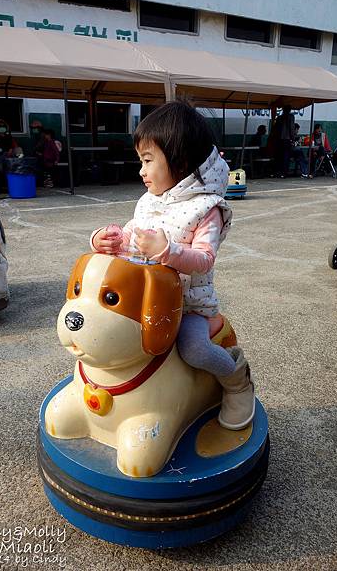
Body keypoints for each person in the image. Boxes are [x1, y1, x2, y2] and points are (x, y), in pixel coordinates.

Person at [90, 101, 255, 431]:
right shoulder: (149, 201)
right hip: (146, 297)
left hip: (189, 306)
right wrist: (102, 240)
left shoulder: (208, 209)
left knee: (193, 349)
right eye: (141, 161)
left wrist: (167, 251)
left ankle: (236, 381)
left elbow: (204, 260)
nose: (141, 170)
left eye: (148, 160)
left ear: (178, 162)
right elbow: (128, 237)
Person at [0, 119, 18, 194]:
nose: (2, 128)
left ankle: (11, 187)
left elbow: (14, 146)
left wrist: (10, 151)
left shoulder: (9, 137)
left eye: (3, 126)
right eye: (0, 126)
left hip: (10, 157)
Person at [273, 105, 295, 178]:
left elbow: (275, 129)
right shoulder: (291, 117)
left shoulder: (279, 117)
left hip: (279, 140)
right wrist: (293, 138)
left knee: (279, 156)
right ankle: (285, 172)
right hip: (287, 139)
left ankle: (278, 171)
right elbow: (291, 128)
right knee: (286, 156)